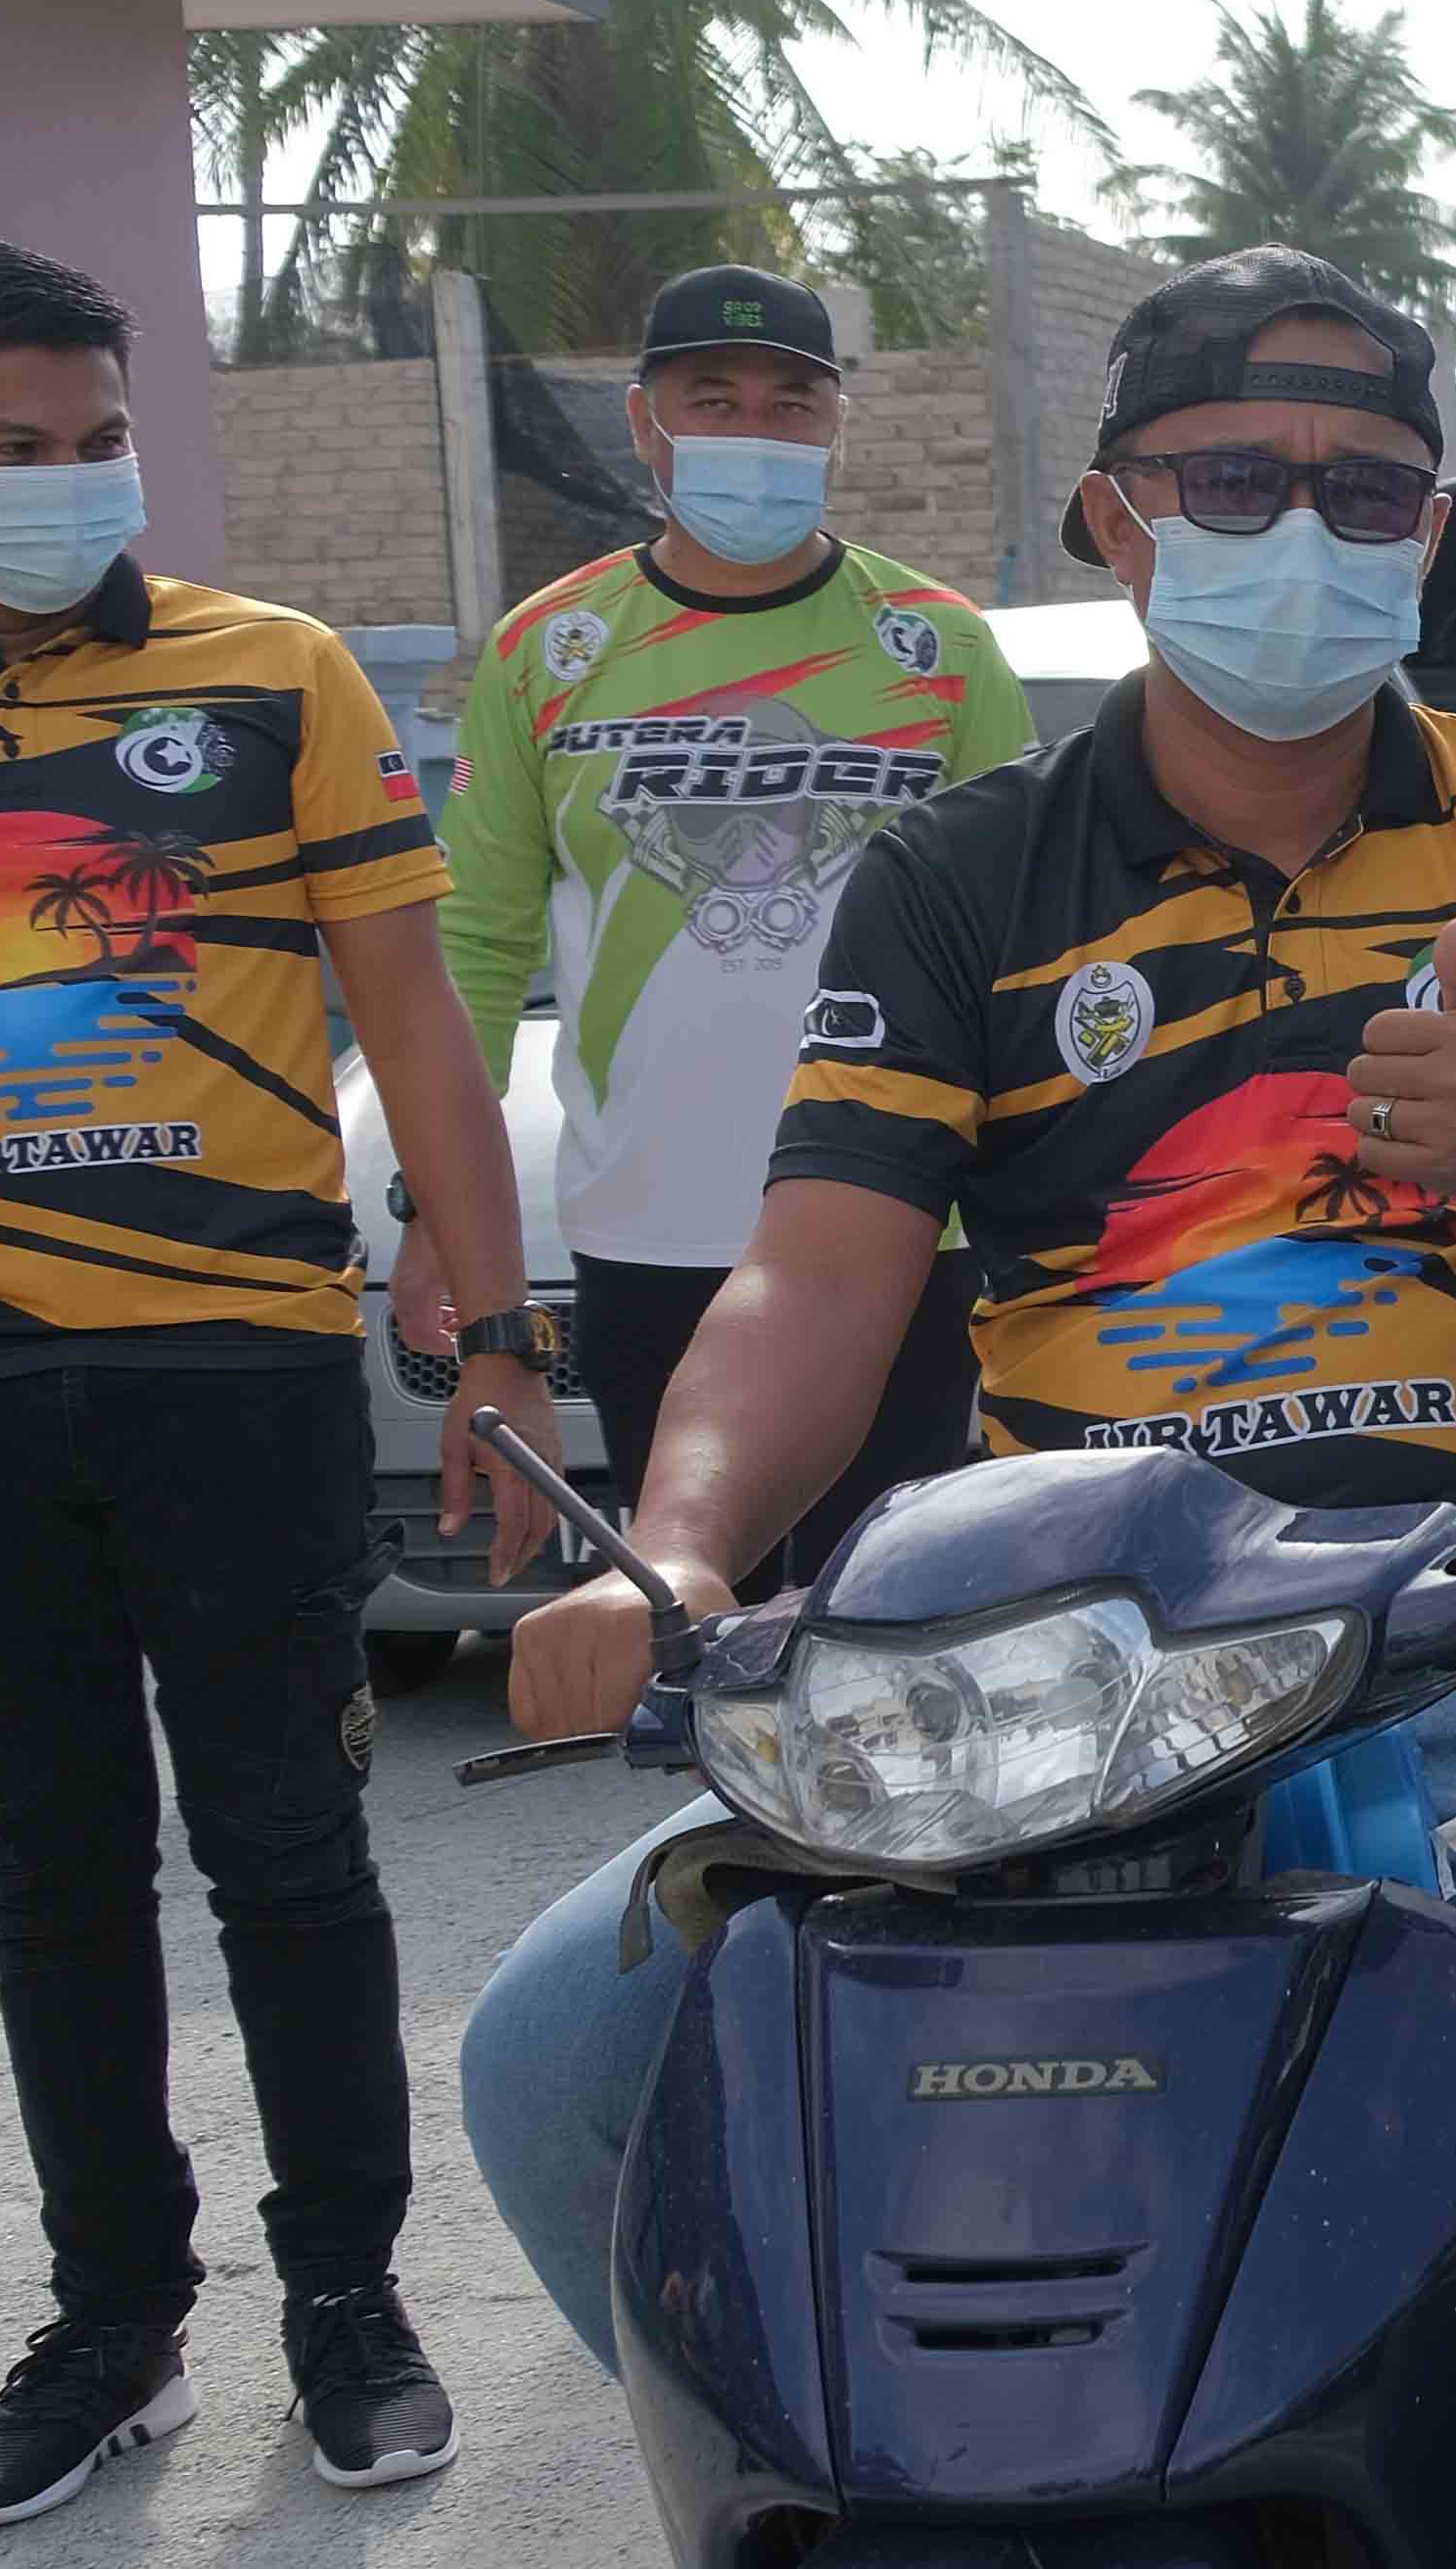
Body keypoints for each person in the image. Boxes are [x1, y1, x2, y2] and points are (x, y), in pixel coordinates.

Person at [458, 248, 1456, 2569]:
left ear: (1427, 529)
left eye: (1364, 488)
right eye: (1236, 481)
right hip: (1081, 1665)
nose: (1303, 531)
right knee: (563, 2050)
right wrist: (677, 1546)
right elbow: (818, 1281)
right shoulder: (965, 875)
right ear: (1113, 515)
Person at [0, 235, 558, 2526]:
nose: (73, 486)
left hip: (236, 1376)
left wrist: (500, 1335)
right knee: (49, 1876)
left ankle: (346, 2304)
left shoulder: (277, 678)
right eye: (12, 450)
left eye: (103, 443)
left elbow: (416, 1020)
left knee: (290, 1856)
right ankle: (110, 2323)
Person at [418, 262, 1028, 1594]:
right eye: (716, 401)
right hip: (651, 1231)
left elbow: (1019, 942)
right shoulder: (547, 648)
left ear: (836, 427)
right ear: (647, 424)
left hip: (903, 1232)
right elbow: (469, 949)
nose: (755, 434)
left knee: (901, 1612)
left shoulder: (940, 646)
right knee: (705, 1619)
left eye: (791, 406)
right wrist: (435, 1220)